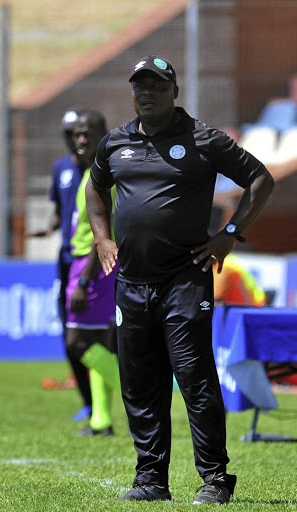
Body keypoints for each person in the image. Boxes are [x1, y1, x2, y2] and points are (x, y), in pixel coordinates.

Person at [85, 55, 275, 504]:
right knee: (140, 383)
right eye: (140, 86)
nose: (147, 93)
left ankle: (215, 479)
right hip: (131, 282)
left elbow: (261, 180)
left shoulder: (203, 139)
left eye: (156, 86)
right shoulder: (115, 143)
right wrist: (101, 238)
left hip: (185, 281)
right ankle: (151, 479)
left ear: (174, 91)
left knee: (193, 378)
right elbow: (96, 187)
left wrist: (229, 234)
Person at [65, 109, 122, 437]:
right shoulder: (93, 173)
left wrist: (84, 281)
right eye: (76, 134)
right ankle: (101, 420)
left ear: (104, 133)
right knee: (101, 341)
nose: (81, 139)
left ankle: (142, 397)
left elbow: (104, 230)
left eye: (88, 133)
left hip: (92, 266)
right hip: (92, 264)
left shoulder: (102, 175)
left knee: (77, 342)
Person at [37, 106, 93, 421]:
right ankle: (88, 402)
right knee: (70, 335)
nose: (76, 139)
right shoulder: (61, 168)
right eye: (70, 134)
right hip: (68, 261)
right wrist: (50, 226)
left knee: (99, 336)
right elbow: (61, 211)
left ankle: (116, 402)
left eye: (81, 133)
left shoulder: (102, 168)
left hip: (96, 260)